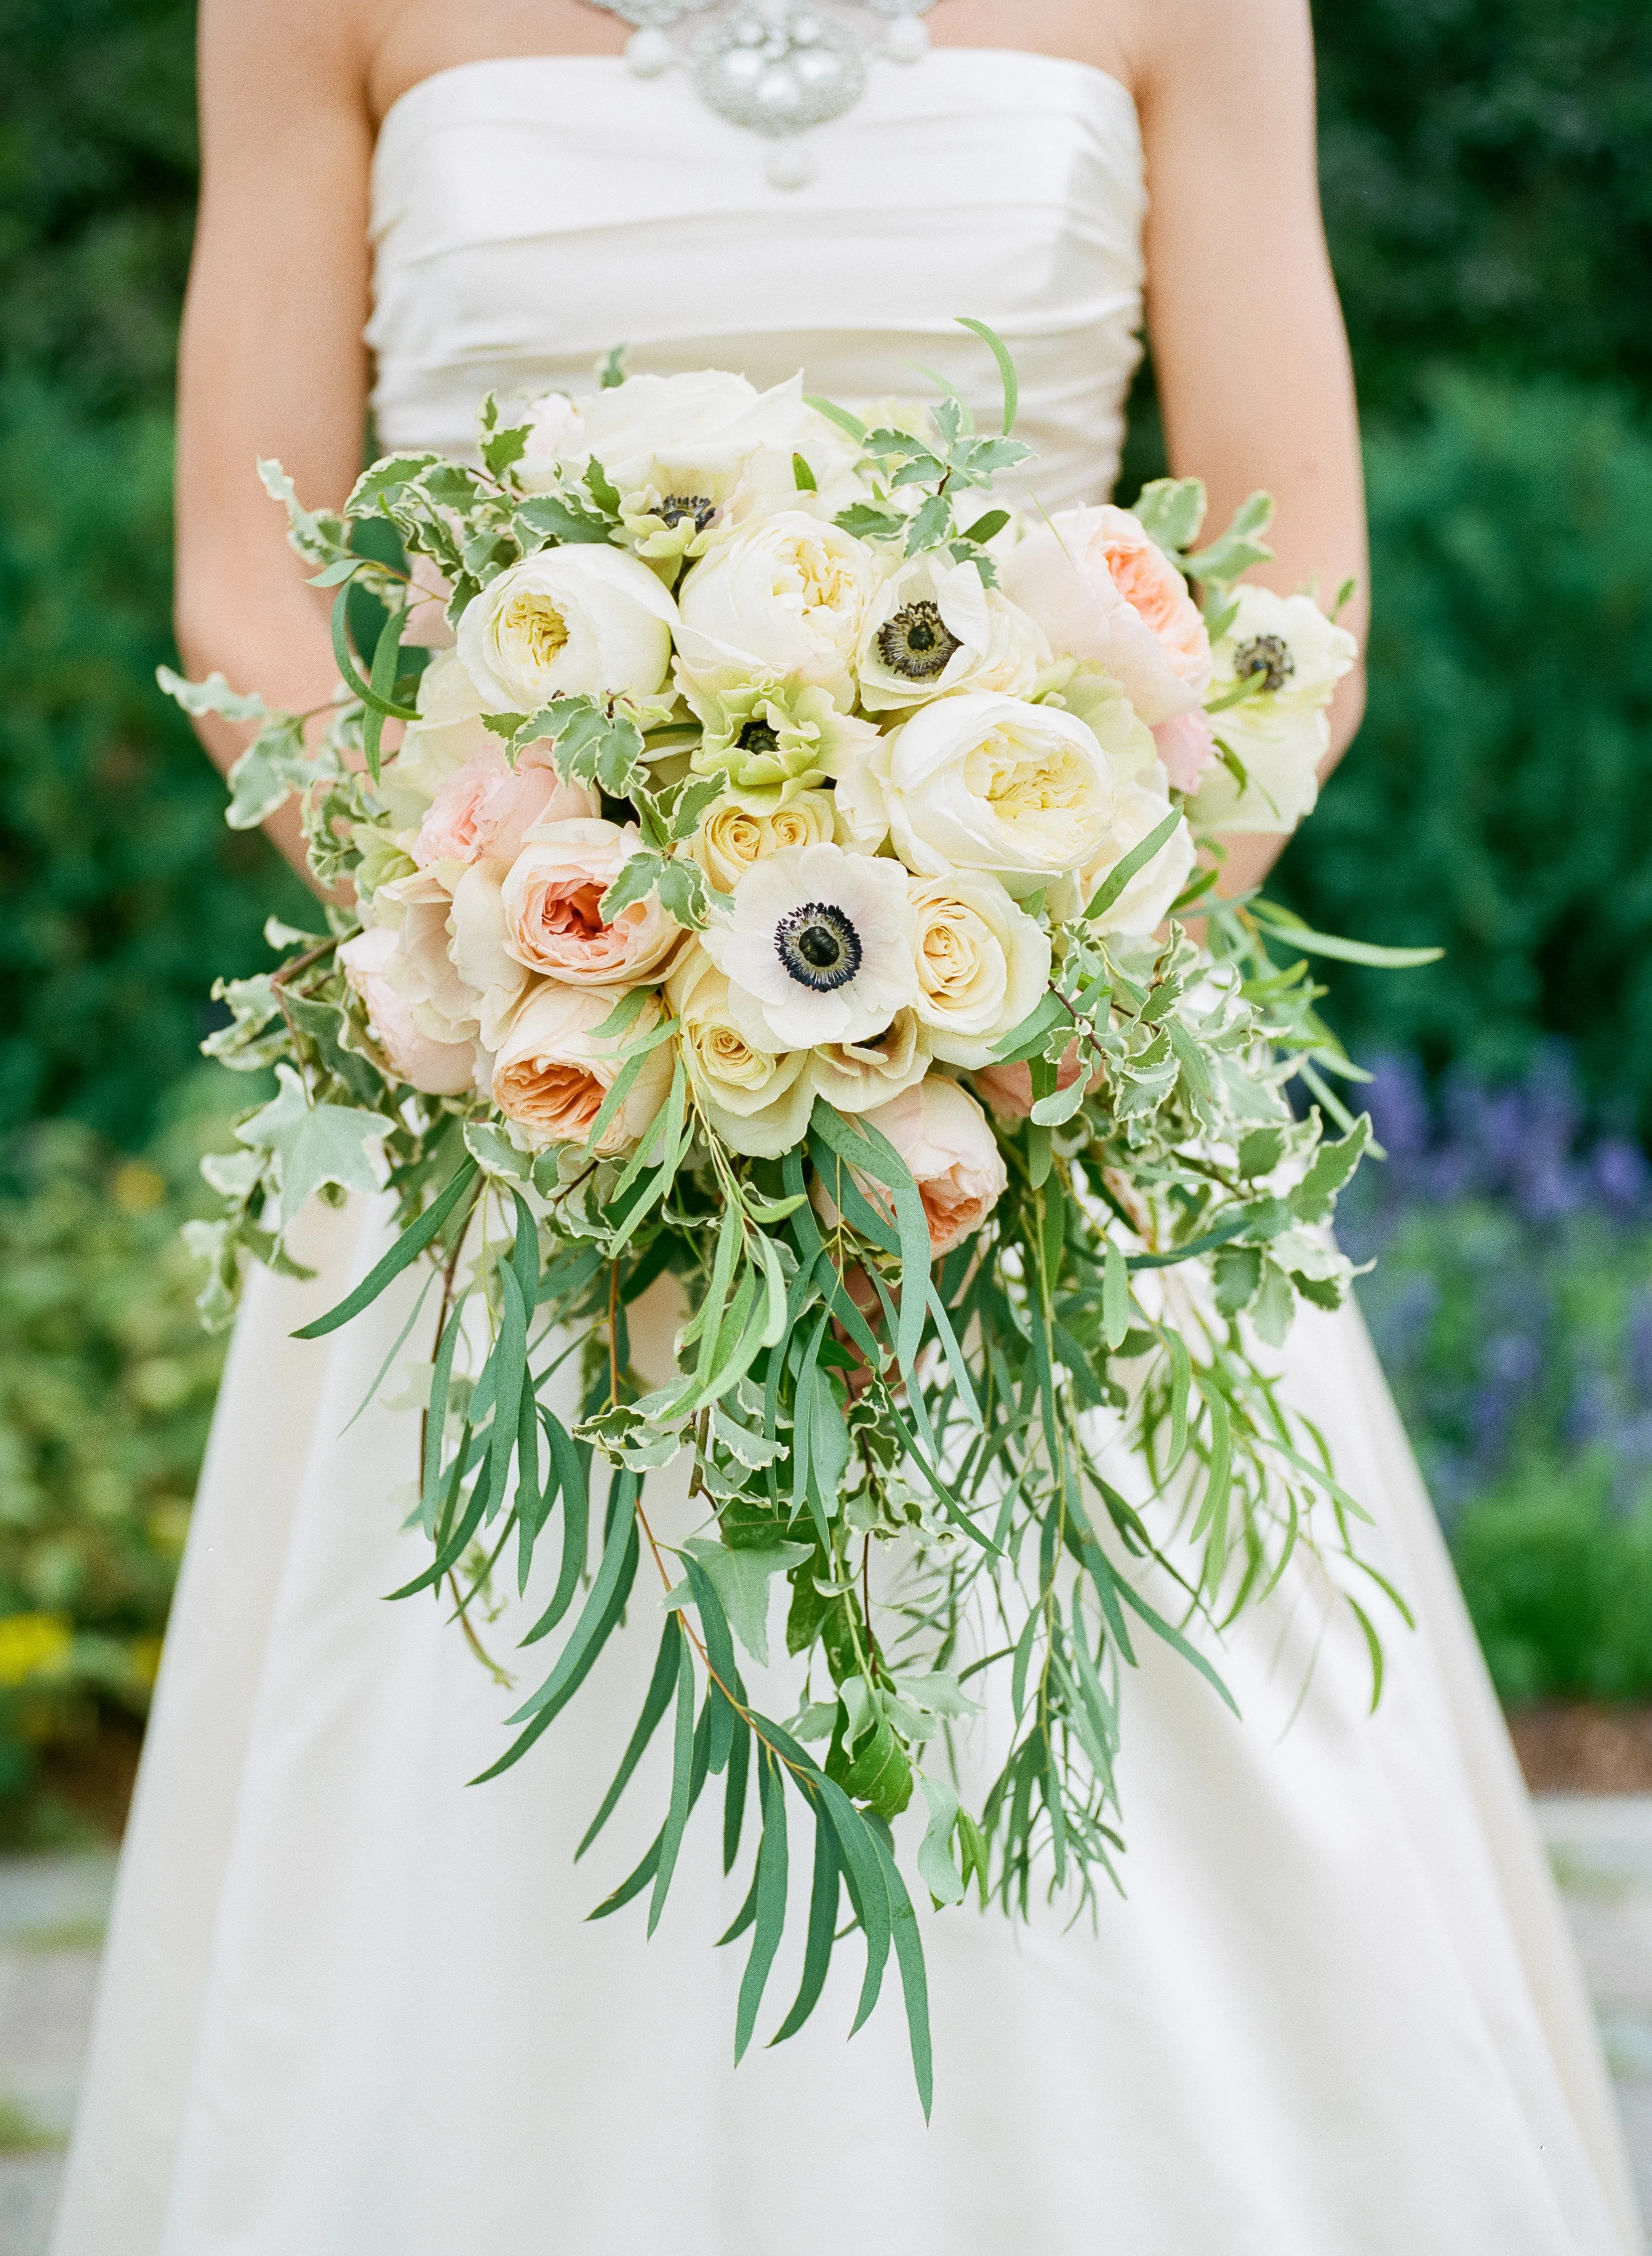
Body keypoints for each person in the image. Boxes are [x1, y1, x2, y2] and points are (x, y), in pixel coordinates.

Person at [52, 3, 1643, 2250]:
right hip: (508, 1094)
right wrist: (513, 941)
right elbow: (247, 587)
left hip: (1045, 1084)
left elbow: (1295, 588)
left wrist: (1024, 985)